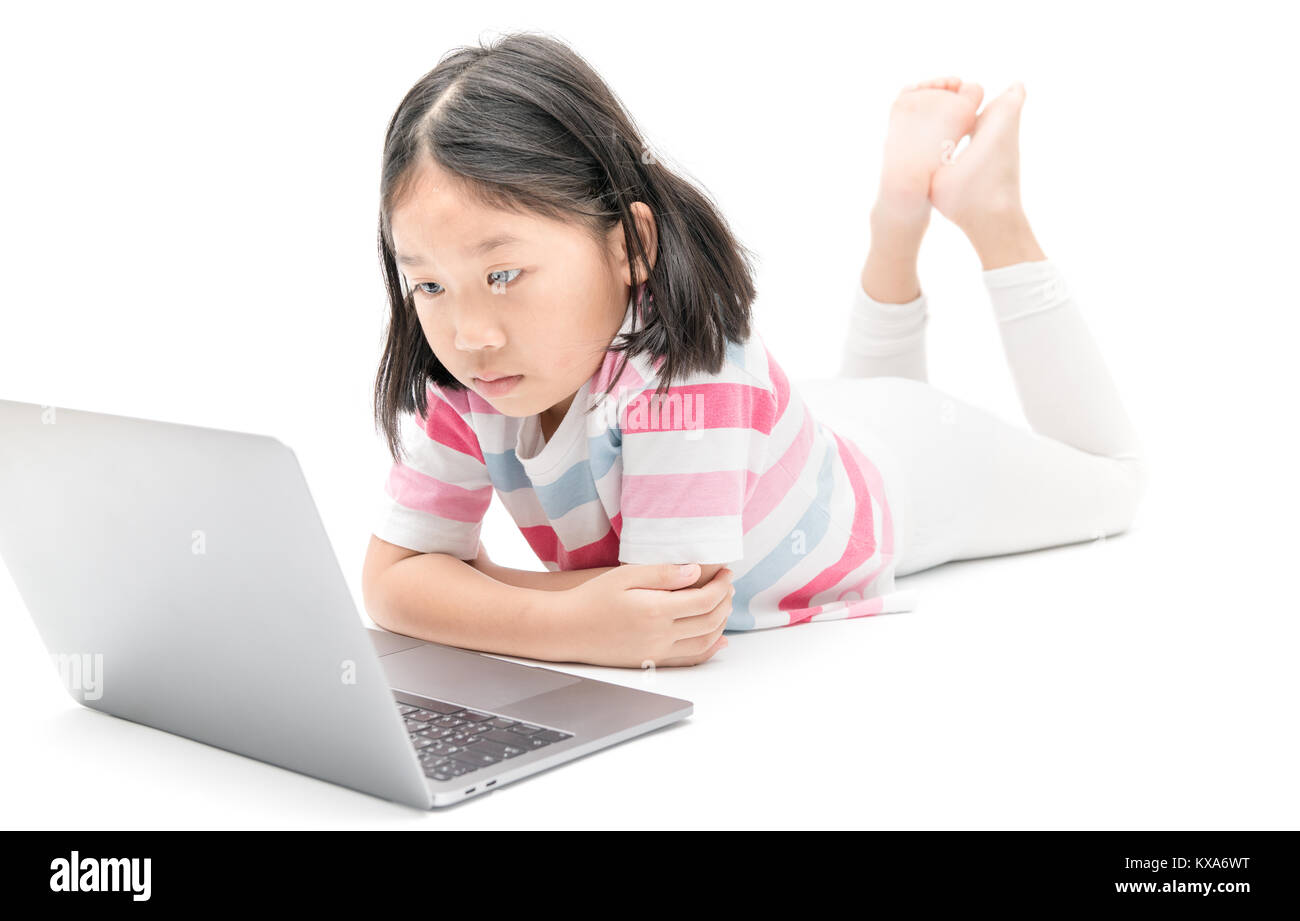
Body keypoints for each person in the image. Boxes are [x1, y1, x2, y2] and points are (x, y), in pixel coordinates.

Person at [362, 35, 1147, 670]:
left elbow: (672, 621)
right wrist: (560, 611)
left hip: (907, 472)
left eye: (504, 273)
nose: (470, 332)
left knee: (1115, 486)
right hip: (795, 442)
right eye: (428, 285)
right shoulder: (474, 376)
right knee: (855, 403)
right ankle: (903, 213)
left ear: (631, 244)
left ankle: (987, 213)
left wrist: (484, 588)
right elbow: (392, 585)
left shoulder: (688, 375)